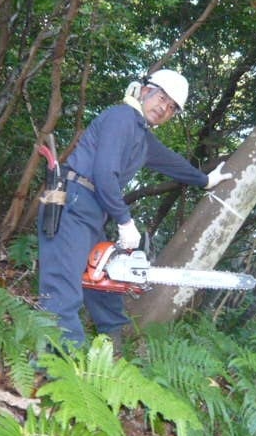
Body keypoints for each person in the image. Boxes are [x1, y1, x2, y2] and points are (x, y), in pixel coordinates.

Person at [38, 69, 233, 349]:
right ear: (144, 91)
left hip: (91, 211)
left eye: (171, 107)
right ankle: (56, 366)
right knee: (62, 290)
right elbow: (105, 173)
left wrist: (205, 180)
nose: (164, 108)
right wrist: (124, 220)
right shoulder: (122, 118)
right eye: (162, 98)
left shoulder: (141, 137)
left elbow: (171, 162)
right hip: (73, 201)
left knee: (100, 278)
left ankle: (116, 342)